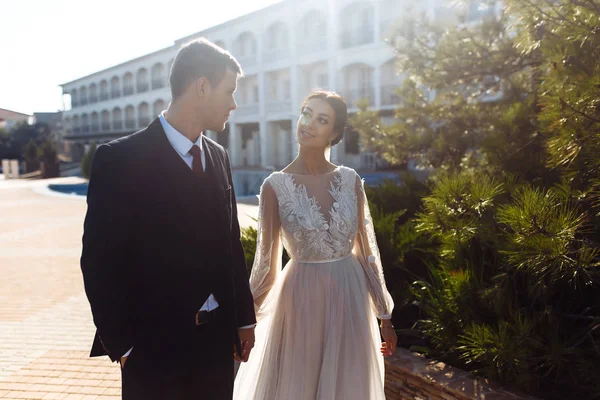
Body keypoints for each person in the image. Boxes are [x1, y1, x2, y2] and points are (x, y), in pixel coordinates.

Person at [80, 38, 256, 400]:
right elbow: (99, 261)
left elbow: (231, 243)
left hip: (216, 350)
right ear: (202, 86)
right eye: (229, 91)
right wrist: (124, 347)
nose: (234, 104)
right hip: (152, 354)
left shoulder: (219, 156)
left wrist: (242, 318)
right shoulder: (120, 159)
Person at [233, 90, 397, 400]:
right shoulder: (274, 186)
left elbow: (367, 253)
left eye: (322, 119)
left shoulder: (351, 181)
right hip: (300, 299)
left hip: (350, 295)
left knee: (349, 385)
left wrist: (384, 315)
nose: (309, 123)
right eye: (306, 113)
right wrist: (246, 321)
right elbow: (266, 265)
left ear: (334, 133)